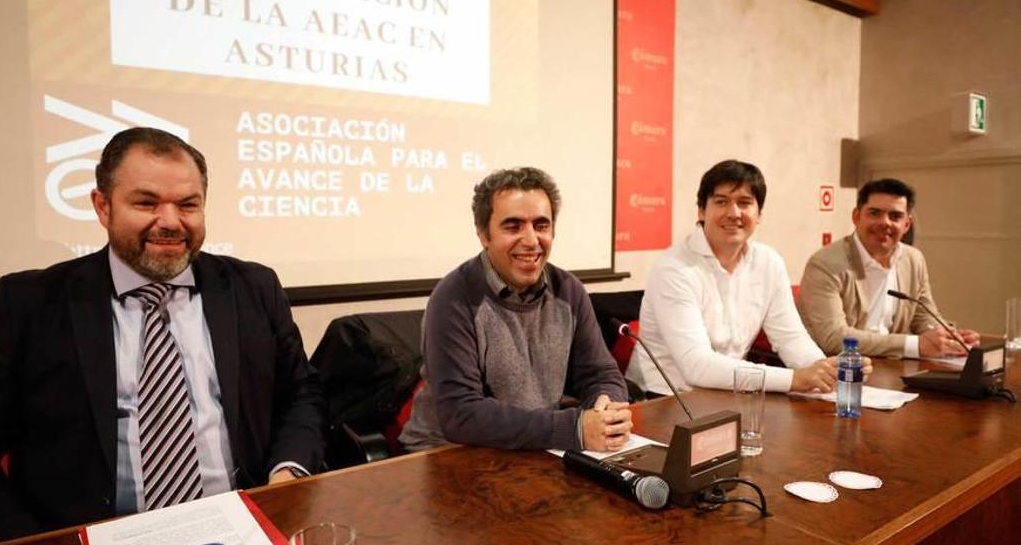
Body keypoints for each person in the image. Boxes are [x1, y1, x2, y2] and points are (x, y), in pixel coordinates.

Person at [0, 127, 325, 545]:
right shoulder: (29, 305)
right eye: (146, 202)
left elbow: (301, 394)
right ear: (102, 206)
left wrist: (285, 477)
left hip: (240, 533)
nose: (170, 221)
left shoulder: (252, 287)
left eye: (188, 204)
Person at [398, 167, 632, 453]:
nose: (532, 240)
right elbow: (461, 415)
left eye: (541, 225)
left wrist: (606, 410)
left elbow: (600, 373)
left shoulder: (569, 290)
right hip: (448, 452)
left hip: (533, 447)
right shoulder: (453, 298)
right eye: (513, 226)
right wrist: (573, 429)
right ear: (484, 234)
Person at [633, 160, 853, 395]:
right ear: (701, 210)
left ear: (759, 214)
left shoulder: (768, 262)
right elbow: (696, 366)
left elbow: (790, 338)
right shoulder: (673, 268)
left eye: (745, 203)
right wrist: (794, 379)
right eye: (721, 202)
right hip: (664, 400)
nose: (734, 213)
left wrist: (824, 370)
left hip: (729, 395)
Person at [797, 178, 979, 358]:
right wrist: (914, 345)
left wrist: (949, 338)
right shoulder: (825, 264)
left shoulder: (913, 259)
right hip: (840, 370)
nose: (885, 222)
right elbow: (833, 338)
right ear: (856, 216)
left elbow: (923, 317)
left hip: (891, 365)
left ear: (907, 224)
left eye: (895, 216)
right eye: (874, 213)